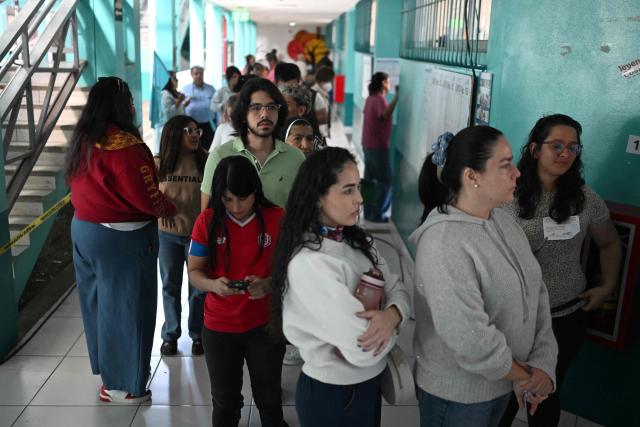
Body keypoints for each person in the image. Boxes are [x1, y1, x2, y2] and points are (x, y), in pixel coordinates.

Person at [411, 127, 558, 427]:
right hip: (458, 397)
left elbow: (537, 292)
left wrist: (542, 364)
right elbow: (468, 336)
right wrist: (527, 377)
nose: (517, 173)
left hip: (503, 383)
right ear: (472, 177)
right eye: (505, 165)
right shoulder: (444, 242)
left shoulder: (503, 221)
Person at [270, 147, 411, 426]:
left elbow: (398, 287)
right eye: (347, 190)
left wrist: (390, 316)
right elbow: (363, 349)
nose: (359, 199)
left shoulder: (356, 241)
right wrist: (394, 322)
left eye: (359, 188)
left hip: (367, 387)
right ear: (319, 197)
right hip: (333, 396)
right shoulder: (311, 262)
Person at [498, 114, 622, 427]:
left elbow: (609, 244)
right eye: (557, 145)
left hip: (564, 317)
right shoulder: (505, 195)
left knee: (546, 396)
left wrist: (607, 286)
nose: (565, 153)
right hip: (513, 317)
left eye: (573, 147)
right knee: (502, 399)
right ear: (536, 149)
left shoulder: (585, 199)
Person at [66, 76, 176, 403]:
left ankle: (108, 375)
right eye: (129, 100)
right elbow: (146, 198)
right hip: (121, 240)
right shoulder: (126, 147)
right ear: (122, 106)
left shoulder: (83, 139)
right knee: (130, 308)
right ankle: (124, 387)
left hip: (84, 231)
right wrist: (169, 206)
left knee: (98, 303)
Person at [188, 156, 287, 427]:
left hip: (265, 325)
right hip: (220, 326)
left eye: (243, 199)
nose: (236, 207)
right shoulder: (207, 221)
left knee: (269, 398)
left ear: (256, 191)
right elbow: (194, 271)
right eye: (228, 199)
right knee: (225, 401)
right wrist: (213, 284)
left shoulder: (277, 218)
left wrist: (268, 283)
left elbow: (294, 268)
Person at [200, 78, 305, 210]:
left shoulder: (295, 158)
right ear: (243, 114)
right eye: (256, 108)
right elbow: (207, 217)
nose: (265, 114)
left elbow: (301, 212)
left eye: (271, 107)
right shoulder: (220, 156)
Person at [156, 115, 208, 356]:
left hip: (196, 236)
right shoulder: (160, 163)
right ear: (174, 134)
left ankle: (198, 335)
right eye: (189, 130)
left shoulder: (205, 161)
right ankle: (171, 335)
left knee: (198, 288)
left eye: (197, 130)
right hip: (167, 235)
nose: (195, 134)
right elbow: (146, 193)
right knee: (170, 286)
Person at [362, 72, 398, 223]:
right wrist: (397, 97)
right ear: (384, 83)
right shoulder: (379, 100)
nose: (389, 85)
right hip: (377, 147)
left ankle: (368, 212)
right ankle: (378, 214)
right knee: (386, 180)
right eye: (389, 82)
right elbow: (385, 115)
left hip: (368, 144)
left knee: (370, 180)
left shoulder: (370, 99)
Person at [154, 71, 189, 154]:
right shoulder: (165, 94)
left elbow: (178, 110)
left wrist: (184, 104)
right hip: (169, 128)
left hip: (177, 127)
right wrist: (179, 101)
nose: (177, 80)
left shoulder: (173, 93)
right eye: (174, 78)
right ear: (168, 80)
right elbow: (168, 114)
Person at [182, 65, 216, 150]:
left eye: (201, 73)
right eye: (196, 73)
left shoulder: (211, 89)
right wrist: (185, 103)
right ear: (192, 75)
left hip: (207, 125)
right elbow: (181, 106)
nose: (199, 76)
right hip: (191, 127)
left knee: (209, 149)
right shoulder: (185, 89)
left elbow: (216, 107)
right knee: (192, 149)